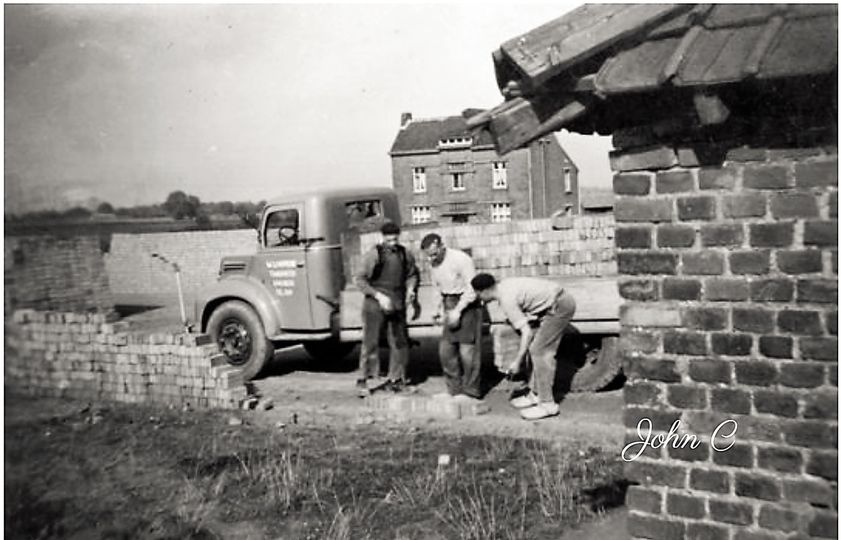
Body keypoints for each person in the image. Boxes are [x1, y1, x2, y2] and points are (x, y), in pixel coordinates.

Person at [470, 273, 576, 420]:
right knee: (535, 348)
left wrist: (517, 361)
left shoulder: (507, 300)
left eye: (478, 294)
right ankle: (535, 394)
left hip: (559, 307)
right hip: (554, 303)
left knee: (539, 351)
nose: (479, 299)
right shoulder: (503, 287)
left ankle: (547, 404)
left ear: (484, 291)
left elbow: (526, 333)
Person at [354, 222, 419, 396]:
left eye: (395, 239)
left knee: (399, 343)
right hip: (375, 303)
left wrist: (411, 289)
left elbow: (412, 274)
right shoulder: (374, 255)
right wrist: (378, 296)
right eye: (389, 240)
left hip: (397, 303)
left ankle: (396, 380)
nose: (393, 243)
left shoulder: (405, 254)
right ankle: (363, 380)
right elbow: (360, 280)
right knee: (371, 342)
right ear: (382, 238)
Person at [420, 233, 483, 404]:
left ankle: (471, 392)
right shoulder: (433, 263)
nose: (432, 258)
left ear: (441, 246)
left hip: (468, 304)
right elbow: (436, 288)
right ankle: (454, 390)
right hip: (449, 302)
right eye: (429, 255)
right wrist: (437, 309)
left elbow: (472, 289)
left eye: (434, 253)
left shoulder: (461, 259)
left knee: (468, 352)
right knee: (446, 351)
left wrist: (458, 310)